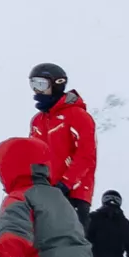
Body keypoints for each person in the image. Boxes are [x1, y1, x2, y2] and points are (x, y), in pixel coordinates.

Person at [27, 64, 99, 207]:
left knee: (67, 229)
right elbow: (32, 155)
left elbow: (86, 155)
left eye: (41, 84)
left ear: (57, 84)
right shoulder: (38, 120)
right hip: (44, 193)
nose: (36, 90)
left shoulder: (78, 116)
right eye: (33, 84)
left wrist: (66, 184)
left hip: (73, 194)